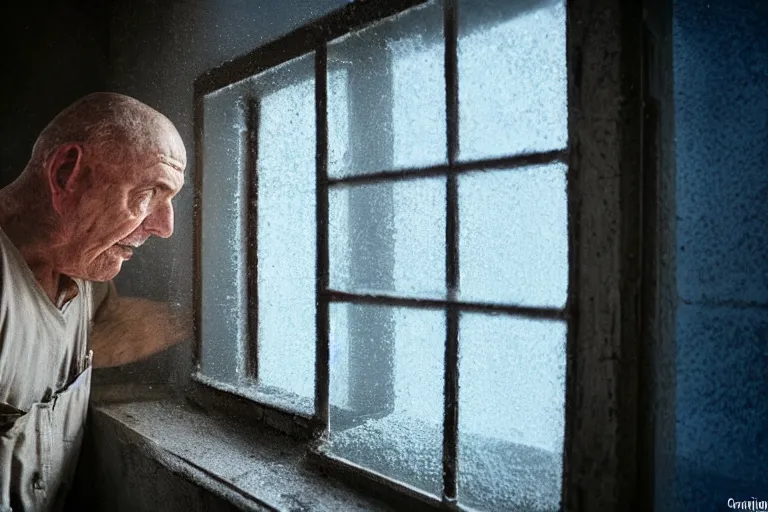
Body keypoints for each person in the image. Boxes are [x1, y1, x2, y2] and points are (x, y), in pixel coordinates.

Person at [0, 92, 189, 511]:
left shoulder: (81, 270)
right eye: (151, 192)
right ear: (67, 172)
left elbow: (103, 330)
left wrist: (224, 319)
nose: (165, 226)